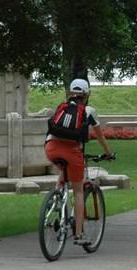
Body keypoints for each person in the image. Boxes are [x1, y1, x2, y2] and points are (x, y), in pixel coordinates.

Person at [44, 78, 114, 245]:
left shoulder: (62, 107)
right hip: (71, 152)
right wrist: (108, 153)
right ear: (87, 94)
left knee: (63, 170)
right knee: (78, 191)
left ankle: (56, 198)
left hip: (51, 148)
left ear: (70, 93)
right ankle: (78, 235)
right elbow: (100, 136)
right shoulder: (89, 110)